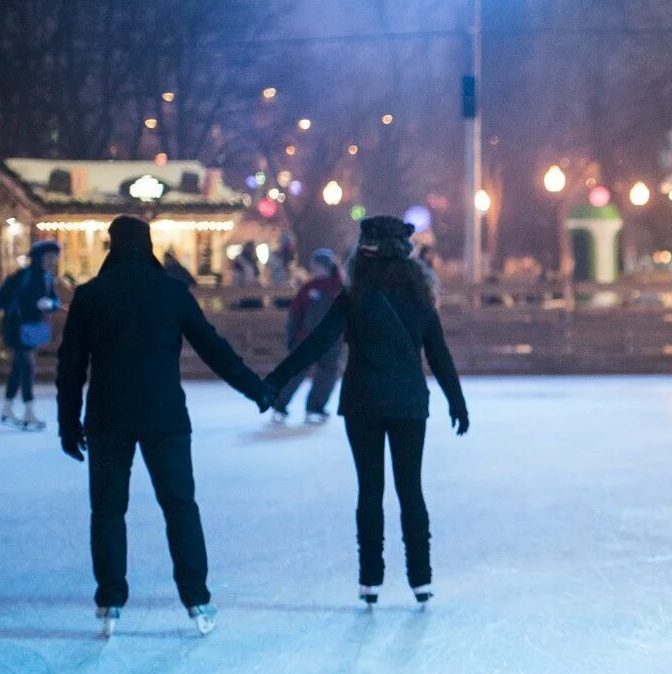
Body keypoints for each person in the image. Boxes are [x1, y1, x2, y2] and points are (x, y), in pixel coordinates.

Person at [54, 215, 272, 638]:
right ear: (148, 245)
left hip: (108, 417)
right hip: (165, 417)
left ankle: (110, 601)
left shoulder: (91, 295)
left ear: (112, 246)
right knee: (180, 507)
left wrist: (68, 422)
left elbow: (71, 366)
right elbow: (214, 348)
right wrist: (255, 388)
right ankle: (197, 598)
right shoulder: (172, 292)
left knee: (108, 511)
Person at [263, 215, 469, 607]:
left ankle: (370, 580)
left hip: (363, 404)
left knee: (370, 491)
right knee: (411, 491)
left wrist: (276, 379)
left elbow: (318, 343)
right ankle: (421, 580)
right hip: (408, 404)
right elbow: (438, 353)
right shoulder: (419, 298)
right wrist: (456, 400)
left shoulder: (353, 297)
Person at [0, 239, 62, 430]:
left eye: (55, 258)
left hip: (32, 328)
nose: (52, 262)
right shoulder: (22, 276)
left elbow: (56, 300)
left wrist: (50, 304)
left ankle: (7, 409)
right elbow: (1, 297)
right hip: (15, 327)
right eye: (49, 257)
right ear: (39, 258)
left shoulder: (47, 279)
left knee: (18, 368)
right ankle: (28, 412)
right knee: (27, 367)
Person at [271, 248, 345, 424]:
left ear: (327, 267)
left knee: (327, 374)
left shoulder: (340, 288)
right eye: (314, 266)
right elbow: (295, 313)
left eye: (318, 266)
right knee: (296, 372)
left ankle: (316, 406)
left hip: (331, 341)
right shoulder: (309, 287)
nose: (315, 269)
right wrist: (292, 335)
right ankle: (279, 404)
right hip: (306, 339)